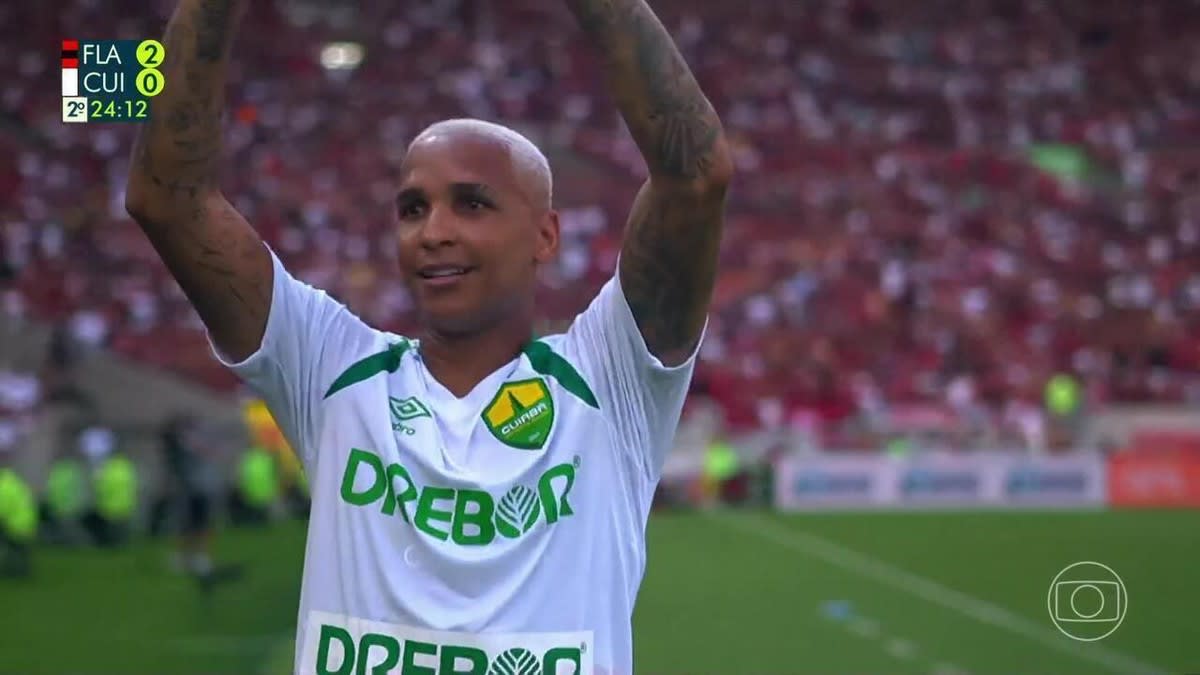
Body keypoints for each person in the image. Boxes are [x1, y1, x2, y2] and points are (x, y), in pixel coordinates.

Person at [125, 0, 731, 672]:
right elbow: (166, 198)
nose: (433, 230)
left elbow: (695, 175)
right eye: (413, 208)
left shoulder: (609, 382)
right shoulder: (330, 369)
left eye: (471, 203)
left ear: (545, 235)